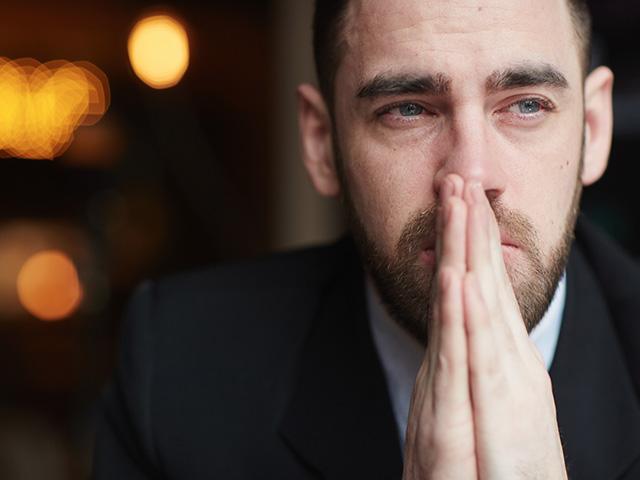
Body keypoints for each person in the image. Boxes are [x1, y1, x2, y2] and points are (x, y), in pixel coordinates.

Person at [93, 0, 640, 478]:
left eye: (526, 105)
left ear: (592, 129)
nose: (471, 174)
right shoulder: (180, 368)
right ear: (322, 142)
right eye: (407, 109)